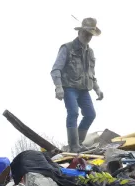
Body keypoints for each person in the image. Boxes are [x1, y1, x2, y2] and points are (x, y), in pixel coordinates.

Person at [51, 17, 104, 153]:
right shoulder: (67, 48)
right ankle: (73, 145)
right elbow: (56, 69)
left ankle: (79, 143)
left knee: (90, 114)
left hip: (84, 89)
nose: (87, 37)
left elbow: (91, 73)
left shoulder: (90, 52)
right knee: (73, 112)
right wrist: (58, 87)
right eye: (85, 34)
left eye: (90, 35)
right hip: (69, 87)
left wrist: (97, 89)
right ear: (79, 33)